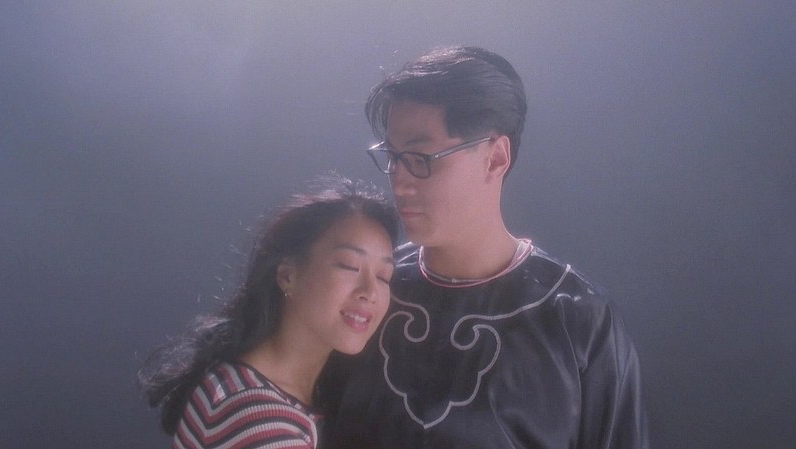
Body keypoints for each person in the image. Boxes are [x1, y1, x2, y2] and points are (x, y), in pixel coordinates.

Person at [327, 46, 648, 448]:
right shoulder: (370, 291)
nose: (400, 182)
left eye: (421, 158)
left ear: (495, 158)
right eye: (393, 157)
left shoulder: (577, 318)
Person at [139, 176, 400, 449]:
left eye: (384, 276)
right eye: (348, 265)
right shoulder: (260, 423)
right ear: (287, 275)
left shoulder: (243, 378)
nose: (370, 291)